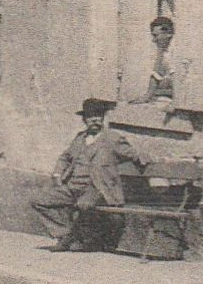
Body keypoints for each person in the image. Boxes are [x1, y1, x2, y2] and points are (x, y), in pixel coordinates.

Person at [31, 98, 142, 252]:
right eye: (91, 116)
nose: (95, 119)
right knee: (39, 200)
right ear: (84, 119)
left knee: (85, 204)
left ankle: (76, 239)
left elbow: (136, 155)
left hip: (97, 188)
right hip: (72, 186)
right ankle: (65, 234)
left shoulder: (113, 139)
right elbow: (65, 157)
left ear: (103, 118)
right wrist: (57, 174)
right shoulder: (79, 138)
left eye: (99, 115)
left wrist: (155, 163)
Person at [131, 17, 179, 107]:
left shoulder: (178, 49)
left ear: (169, 33)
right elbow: (157, 73)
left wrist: (177, 102)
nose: (153, 40)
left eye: (156, 35)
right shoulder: (164, 48)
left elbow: (178, 78)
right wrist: (147, 97)